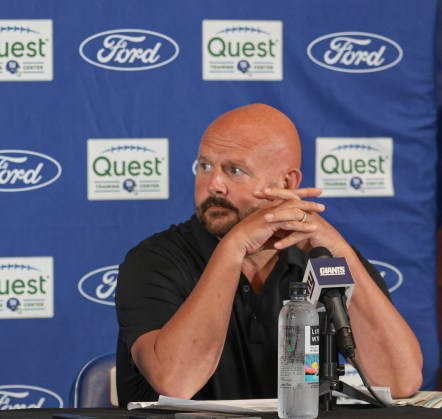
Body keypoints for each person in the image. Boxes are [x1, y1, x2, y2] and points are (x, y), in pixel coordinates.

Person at [115, 103, 423, 405]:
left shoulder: (320, 258)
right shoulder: (152, 261)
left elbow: (400, 382)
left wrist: (338, 249)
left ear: (287, 183)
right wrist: (233, 247)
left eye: (234, 170)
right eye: (205, 166)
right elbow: (176, 382)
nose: (214, 185)